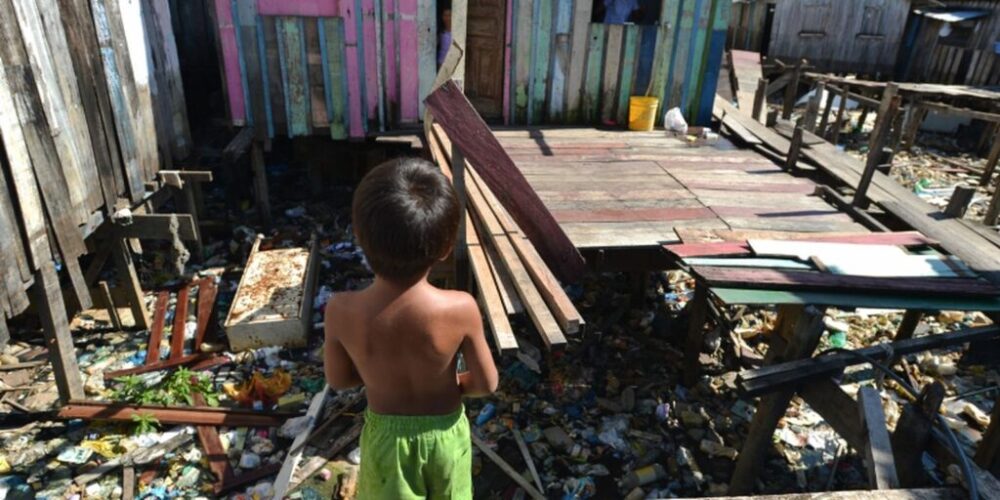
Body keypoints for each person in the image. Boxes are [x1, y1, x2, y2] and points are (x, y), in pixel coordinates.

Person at [324, 158, 499, 499]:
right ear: (447, 248)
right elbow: (485, 383)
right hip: (446, 435)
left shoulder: (341, 310)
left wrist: (377, 371)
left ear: (359, 237)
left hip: (386, 442)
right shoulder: (460, 308)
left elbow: (340, 379)